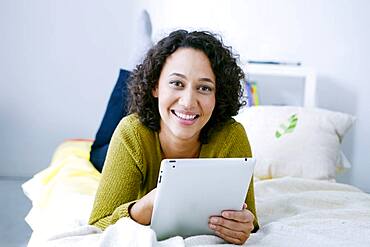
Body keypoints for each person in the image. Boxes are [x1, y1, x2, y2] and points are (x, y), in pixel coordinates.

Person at [89, 30, 259, 245]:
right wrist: (146, 206)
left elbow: (250, 222)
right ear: (155, 86)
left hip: (165, 121)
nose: (188, 101)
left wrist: (243, 225)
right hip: (136, 137)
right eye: (177, 83)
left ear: (218, 95)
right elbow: (98, 224)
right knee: (98, 152)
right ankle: (134, 63)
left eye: (204, 88)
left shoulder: (232, 136)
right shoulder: (131, 132)